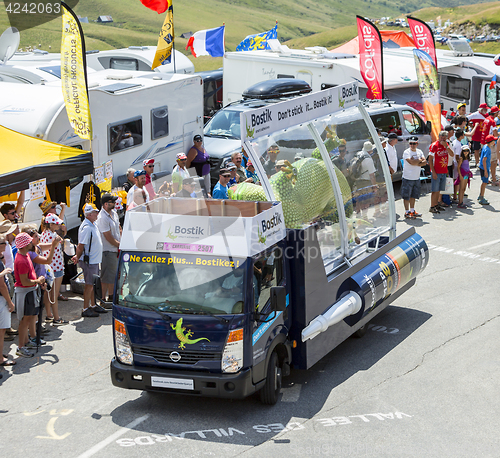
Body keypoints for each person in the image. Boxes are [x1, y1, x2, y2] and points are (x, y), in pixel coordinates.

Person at [23, 226, 61, 344]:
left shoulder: (37, 247)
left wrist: (55, 241)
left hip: (40, 284)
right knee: (32, 313)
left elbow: (48, 244)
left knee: (37, 311)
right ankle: (32, 335)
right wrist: (54, 247)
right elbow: (48, 261)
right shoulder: (31, 253)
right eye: (35, 236)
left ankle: (35, 332)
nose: (38, 237)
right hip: (34, 284)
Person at [13, 232, 46, 358]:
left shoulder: (25, 255)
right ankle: (20, 347)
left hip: (31, 291)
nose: (32, 242)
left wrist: (38, 282)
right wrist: (38, 281)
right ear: (25, 244)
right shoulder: (21, 260)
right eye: (29, 241)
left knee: (31, 317)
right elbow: (25, 281)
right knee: (25, 321)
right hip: (25, 293)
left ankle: (27, 342)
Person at [71, 204, 106, 317]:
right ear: (89, 214)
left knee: (92, 284)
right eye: (95, 212)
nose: (97, 214)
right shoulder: (86, 228)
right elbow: (81, 245)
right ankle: (85, 308)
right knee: (89, 285)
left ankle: (93, 305)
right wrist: (77, 256)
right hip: (89, 261)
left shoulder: (92, 224)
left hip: (94, 260)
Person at [39, 213, 68, 326]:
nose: (58, 226)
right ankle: (56, 318)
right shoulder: (54, 236)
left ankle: (49, 315)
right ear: (50, 224)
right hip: (56, 267)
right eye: (56, 224)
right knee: (54, 295)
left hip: (48, 267)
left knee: (48, 293)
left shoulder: (43, 234)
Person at [96, 194, 121, 303]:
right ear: (106, 204)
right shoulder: (102, 218)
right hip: (108, 250)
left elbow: (118, 227)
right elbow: (107, 236)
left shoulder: (114, 213)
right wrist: (119, 245)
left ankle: (111, 297)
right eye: (112, 202)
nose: (115, 203)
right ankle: (103, 299)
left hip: (115, 248)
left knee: (112, 275)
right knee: (106, 276)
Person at [428, 131, 454, 214]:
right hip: (436, 171)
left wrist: (446, 147)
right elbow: (430, 159)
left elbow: (452, 154)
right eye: (441, 137)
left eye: (444, 137)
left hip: (443, 170)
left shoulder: (446, 144)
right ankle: (432, 206)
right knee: (435, 190)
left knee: (439, 190)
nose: (442, 139)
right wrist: (433, 172)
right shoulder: (434, 145)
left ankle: (436, 204)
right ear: (439, 137)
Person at [401, 137, 427, 219]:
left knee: (413, 195)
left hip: (416, 177)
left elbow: (425, 162)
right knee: (406, 196)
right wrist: (419, 161)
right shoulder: (406, 152)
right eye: (410, 143)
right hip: (407, 177)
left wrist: (417, 162)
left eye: (414, 143)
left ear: (417, 144)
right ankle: (407, 212)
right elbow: (411, 162)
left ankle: (412, 211)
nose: (412, 145)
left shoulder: (419, 151)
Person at [0, 234, 16, 366]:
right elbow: (1, 285)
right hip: (1, 299)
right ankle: (0, 358)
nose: (6, 245)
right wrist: (9, 302)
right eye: (3, 243)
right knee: (1, 329)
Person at [478, 134, 497, 205]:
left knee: (484, 182)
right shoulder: (488, 149)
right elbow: (484, 160)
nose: (494, 141)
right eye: (493, 140)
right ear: (491, 142)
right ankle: (481, 197)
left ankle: (480, 195)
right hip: (484, 168)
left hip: (484, 167)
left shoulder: (485, 147)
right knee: (484, 183)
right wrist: (486, 171)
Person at [469, 103, 488, 167]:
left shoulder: (487, 115)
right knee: (476, 150)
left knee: (484, 150)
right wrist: (472, 126)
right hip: (476, 136)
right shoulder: (475, 114)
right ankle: (477, 163)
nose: (486, 111)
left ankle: (483, 163)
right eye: (485, 109)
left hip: (484, 136)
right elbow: (466, 119)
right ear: (482, 109)